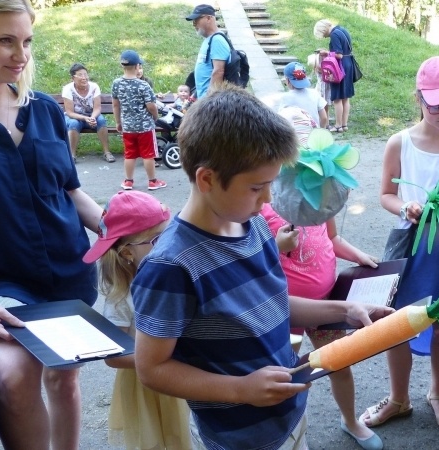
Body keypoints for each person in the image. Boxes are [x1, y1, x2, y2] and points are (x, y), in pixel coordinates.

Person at [131, 84, 393, 450]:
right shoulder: (171, 267)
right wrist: (239, 389)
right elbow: (152, 369)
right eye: (258, 187)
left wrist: (343, 310)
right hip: (238, 436)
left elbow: (273, 303)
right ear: (207, 179)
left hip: (288, 414)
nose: (269, 199)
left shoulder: (252, 225)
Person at [0, 1, 105, 448]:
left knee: (65, 380)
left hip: (68, 271)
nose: (21, 55)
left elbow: (70, 192)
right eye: (5, 40)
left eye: (26, 40)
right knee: (13, 376)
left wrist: (117, 229)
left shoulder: (45, 109)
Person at [360, 56, 439, 434]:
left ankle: (437, 392)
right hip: (411, 245)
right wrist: (406, 207)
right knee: (397, 320)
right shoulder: (400, 143)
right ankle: (399, 397)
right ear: (418, 98)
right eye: (436, 104)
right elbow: (385, 194)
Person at [260, 109, 382, 449]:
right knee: (289, 374)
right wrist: (276, 246)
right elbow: (248, 260)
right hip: (286, 312)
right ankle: (288, 431)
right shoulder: (266, 203)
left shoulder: (321, 198)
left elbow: (332, 239)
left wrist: (360, 257)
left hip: (328, 304)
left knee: (338, 363)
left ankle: (351, 421)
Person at [82, 191, 192, 450]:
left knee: (190, 438)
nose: (168, 244)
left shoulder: (179, 274)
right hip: (151, 386)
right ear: (127, 253)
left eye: (170, 234)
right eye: (156, 240)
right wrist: (161, 360)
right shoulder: (122, 296)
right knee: (156, 441)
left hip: (189, 376)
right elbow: (113, 355)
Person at [111, 49, 167, 191]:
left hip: (127, 126)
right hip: (145, 127)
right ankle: (152, 181)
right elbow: (151, 105)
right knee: (148, 155)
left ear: (122, 66)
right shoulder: (143, 85)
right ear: (137, 66)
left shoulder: (116, 83)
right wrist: (155, 116)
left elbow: (116, 104)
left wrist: (118, 122)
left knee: (129, 154)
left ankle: (128, 181)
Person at [61, 62, 115, 163]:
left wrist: (93, 117)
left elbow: (97, 108)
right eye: (80, 75)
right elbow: (69, 112)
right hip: (74, 117)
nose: (84, 77)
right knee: (73, 123)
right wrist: (85, 118)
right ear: (73, 78)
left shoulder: (94, 87)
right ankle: (71, 155)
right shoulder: (67, 89)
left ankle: (107, 152)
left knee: (101, 120)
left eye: (85, 74)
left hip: (91, 115)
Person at [313, 19, 355, 133]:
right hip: (349, 64)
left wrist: (326, 53)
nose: (324, 36)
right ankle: (344, 125)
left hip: (340, 66)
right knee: (345, 97)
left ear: (324, 30)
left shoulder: (334, 35)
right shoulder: (342, 30)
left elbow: (339, 55)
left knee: (337, 98)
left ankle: (337, 125)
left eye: (322, 34)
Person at [187, 4, 229, 98]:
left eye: (196, 20)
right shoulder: (209, 39)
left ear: (208, 18)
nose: (194, 24)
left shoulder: (217, 40)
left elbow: (219, 71)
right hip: (203, 98)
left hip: (210, 101)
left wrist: (209, 101)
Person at [277, 62, 328, 127]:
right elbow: (324, 118)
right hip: (314, 134)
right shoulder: (315, 93)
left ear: (287, 80)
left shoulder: (286, 97)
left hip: (296, 135)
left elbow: (281, 120)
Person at [307, 52, 331, 127]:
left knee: (324, 107)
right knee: (323, 107)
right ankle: (325, 122)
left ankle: (326, 123)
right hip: (322, 89)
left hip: (324, 89)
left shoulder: (320, 67)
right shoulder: (319, 68)